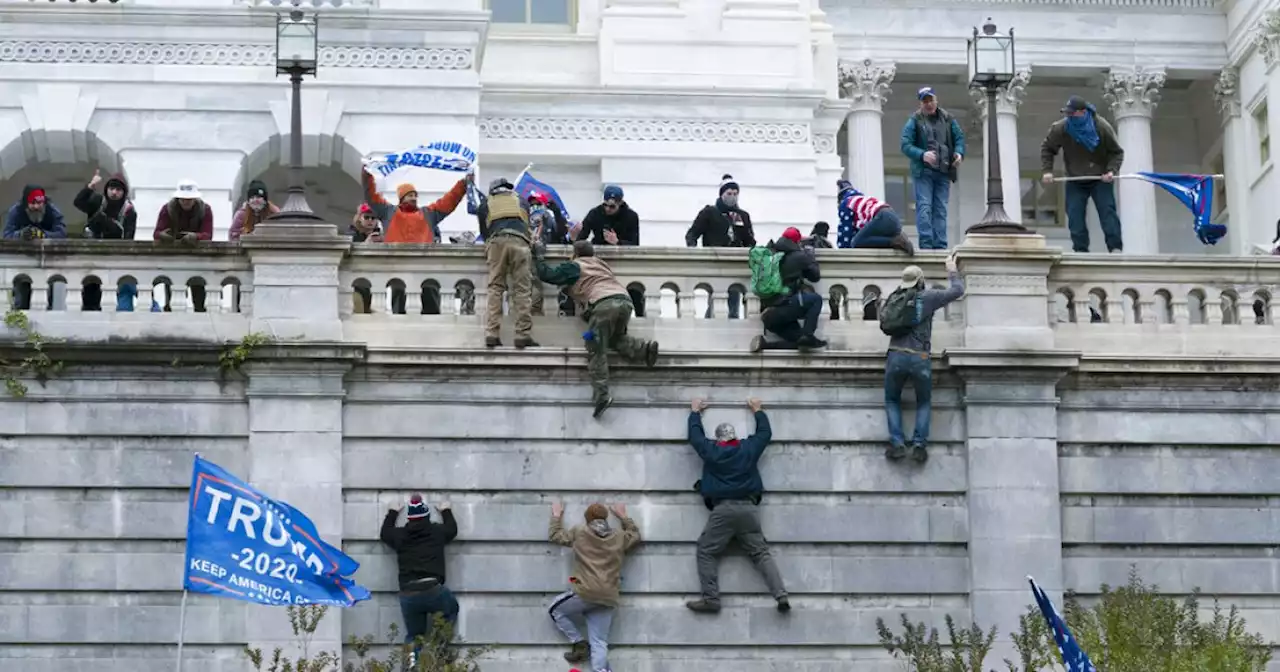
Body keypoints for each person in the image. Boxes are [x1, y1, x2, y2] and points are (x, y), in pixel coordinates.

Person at [684, 397, 789, 614]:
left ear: (719, 439)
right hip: (749, 510)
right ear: (734, 437)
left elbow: (695, 437)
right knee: (761, 554)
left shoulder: (712, 451)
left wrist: (695, 412)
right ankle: (781, 595)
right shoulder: (747, 449)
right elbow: (764, 434)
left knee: (706, 551)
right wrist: (758, 410)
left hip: (723, 510)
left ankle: (711, 599)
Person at [535, 239, 659, 418]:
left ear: (575, 254)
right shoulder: (601, 265)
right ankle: (644, 349)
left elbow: (548, 275)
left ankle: (602, 395)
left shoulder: (575, 266)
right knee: (612, 338)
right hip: (624, 302)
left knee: (595, 347)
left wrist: (539, 256)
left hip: (604, 305)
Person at [881, 253, 964, 463]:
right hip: (920, 356)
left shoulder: (894, 298)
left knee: (892, 400)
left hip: (896, 355)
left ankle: (897, 443)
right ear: (920, 280)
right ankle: (919, 446)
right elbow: (957, 291)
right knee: (923, 401)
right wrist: (951, 269)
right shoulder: (927, 297)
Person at [548, 501, 641, 672]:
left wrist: (556, 515)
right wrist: (623, 516)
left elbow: (555, 535)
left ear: (586, 518)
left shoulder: (580, 532)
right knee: (599, 642)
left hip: (585, 592)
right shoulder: (619, 536)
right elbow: (635, 535)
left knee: (555, 610)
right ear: (606, 517)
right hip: (608, 596)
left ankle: (579, 643)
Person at [380, 494, 459, 665]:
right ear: (427, 516)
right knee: (451, 610)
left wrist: (392, 512)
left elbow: (385, 533)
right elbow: (452, 529)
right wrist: (446, 510)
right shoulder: (437, 532)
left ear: (409, 518)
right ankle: (437, 652)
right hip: (433, 589)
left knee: (413, 636)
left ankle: (410, 667)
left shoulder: (400, 536)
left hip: (409, 593)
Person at [1040, 95, 1126, 253]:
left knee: (1107, 212)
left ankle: (1115, 247)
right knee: (1074, 215)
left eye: (1072, 113)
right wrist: (1047, 171)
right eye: (1067, 114)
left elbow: (1116, 153)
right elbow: (1047, 148)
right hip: (1075, 178)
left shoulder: (1101, 127)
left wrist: (1111, 171)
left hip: (1100, 178)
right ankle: (1080, 250)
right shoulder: (1061, 128)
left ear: (1083, 112)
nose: (1069, 116)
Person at [900, 87, 965, 250]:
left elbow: (959, 138)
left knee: (941, 209)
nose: (929, 104)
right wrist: (922, 155)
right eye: (925, 101)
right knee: (924, 206)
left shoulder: (948, 119)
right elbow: (905, 144)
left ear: (936, 100)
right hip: (923, 172)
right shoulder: (914, 120)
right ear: (920, 103)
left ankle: (941, 245)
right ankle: (926, 245)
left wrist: (959, 153)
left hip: (943, 171)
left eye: (931, 100)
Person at [686, 175, 755, 319]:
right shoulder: (710, 212)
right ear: (722, 194)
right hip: (715, 261)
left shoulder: (742, 216)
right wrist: (693, 250)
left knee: (734, 297)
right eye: (729, 194)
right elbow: (693, 233)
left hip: (736, 262)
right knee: (717, 297)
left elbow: (749, 240)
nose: (733, 197)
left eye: (735, 194)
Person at [482, 177, 538, 349]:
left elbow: (484, 232)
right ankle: (522, 335)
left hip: (497, 242)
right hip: (520, 242)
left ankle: (492, 333)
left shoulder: (485, 204)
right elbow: (526, 224)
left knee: (496, 287)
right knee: (522, 289)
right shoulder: (521, 202)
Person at [751, 227, 825, 352]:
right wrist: (810, 256)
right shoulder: (799, 256)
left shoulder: (769, 255)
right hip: (785, 307)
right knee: (816, 300)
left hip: (768, 315)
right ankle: (808, 334)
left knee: (799, 342)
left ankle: (765, 345)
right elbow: (815, 276)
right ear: (797, 242)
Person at [360, 167, 468, 244]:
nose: (413, 198)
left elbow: (449, 201)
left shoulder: (428, 214)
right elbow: (372, 197)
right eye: (410, 195)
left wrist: (463, 184)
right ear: (402, 198)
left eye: (415, 196)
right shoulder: (388, 211)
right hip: (394, 264)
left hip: (421, 265)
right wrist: (367, 175)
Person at [835, 179, 914, 254]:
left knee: (856, 242)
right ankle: (899, 240)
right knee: (868, 239)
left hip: (882, 217)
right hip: (893, 218)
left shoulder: (846, 203)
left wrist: (843, 251)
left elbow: (845, 231)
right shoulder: (862, 200)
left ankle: (895, 241)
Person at [74, 170, 136, 240]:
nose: (114, 192)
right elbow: (78, 202)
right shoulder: (98, 201)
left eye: (118, 190)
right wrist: (90, 186)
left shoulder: (128, 210)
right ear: (106, 190)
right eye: (111, 189)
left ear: (124, 192)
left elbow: (128, 238)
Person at [154, 179, 213, 244]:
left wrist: (196, 237)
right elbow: (156, 233)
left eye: (189, 199)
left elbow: (208, 235)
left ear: (195, 199)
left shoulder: (205, 210)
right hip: (172, 247)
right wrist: (162, 235)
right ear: (178, 198)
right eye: (182, 199)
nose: (185, 202)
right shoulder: (167, 209)